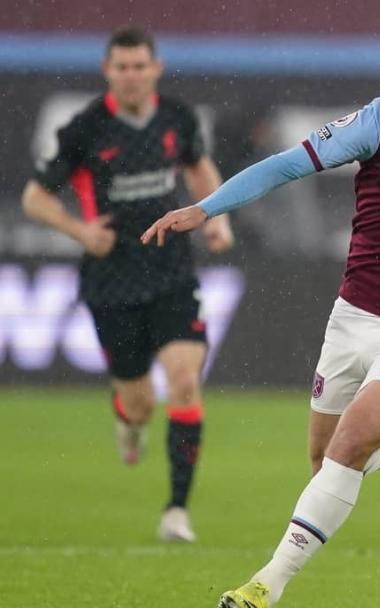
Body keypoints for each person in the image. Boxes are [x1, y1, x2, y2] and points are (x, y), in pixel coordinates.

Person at [140, 18, 380, 608]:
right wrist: (206, 207)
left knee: (348, 444)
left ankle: (264, 586)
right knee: (324, 458)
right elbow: (286, 165)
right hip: (355, 313)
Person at [21, 26, 235, 543]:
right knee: (138, 401)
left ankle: (176, 510)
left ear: (156, 69)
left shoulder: (176, 118)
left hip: (172, 271)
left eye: (141, 66)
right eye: (123, 67)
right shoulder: (85, 129)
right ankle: (129, 418)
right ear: (108, 70)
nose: (132, 75)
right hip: (112, 281)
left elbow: (199, 166)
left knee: (185, 381)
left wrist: (216, 216)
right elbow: (35, 198)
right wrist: (79, 231)